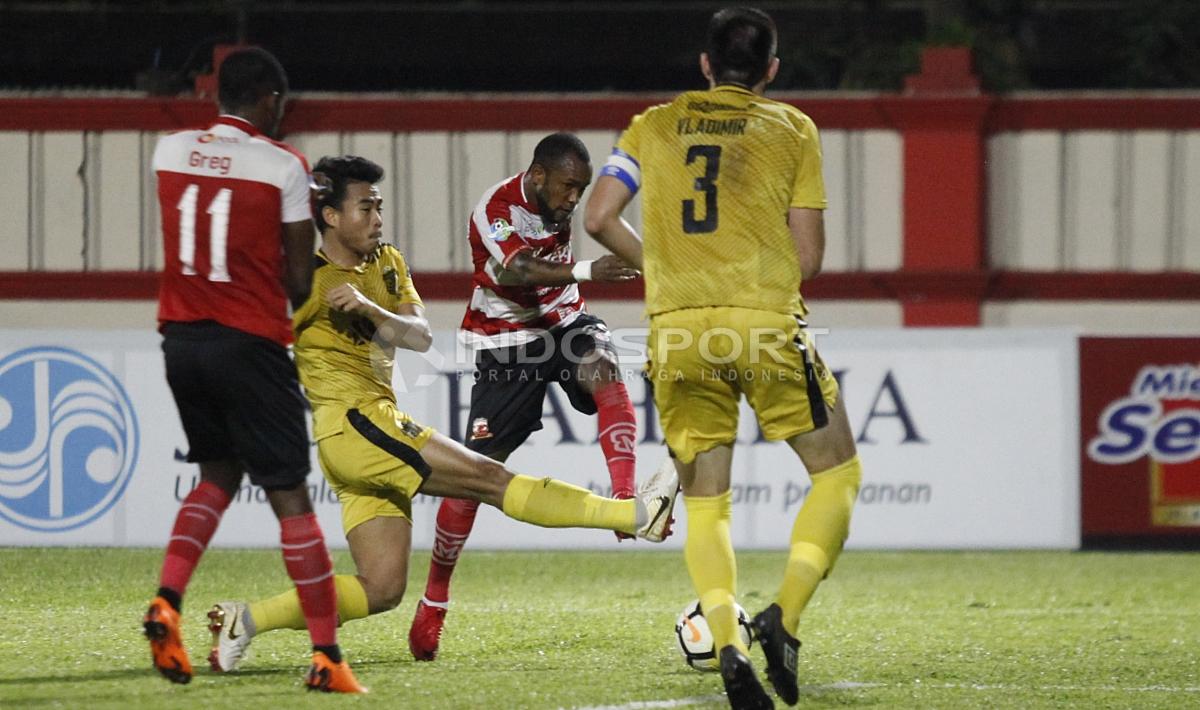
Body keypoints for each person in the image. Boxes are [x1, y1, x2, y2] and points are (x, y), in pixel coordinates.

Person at [204, 155, 678, 675]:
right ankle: (633, 514)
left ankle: (245, 620)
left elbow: (421, 336)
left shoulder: (386, 263)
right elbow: (251, 342)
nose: (378, 219)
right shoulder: (306, 284)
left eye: (380, 208)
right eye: (365, 208)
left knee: (381, 588)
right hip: (357, 423)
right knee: (488, 477)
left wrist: (370, 308)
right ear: (331, 217)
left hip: (363, 437)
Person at [584, 8, 863, 709]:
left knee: (707, 501)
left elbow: (596, 217)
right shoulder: (793, 128)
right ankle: (784, 620)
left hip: (678, 331)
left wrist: (666, 269)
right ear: (771, 69)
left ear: (704, 65)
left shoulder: (651, 125)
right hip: (765, 324)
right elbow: (809, 259)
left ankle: (729, 643)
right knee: (837, 473)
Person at [144, 47, 364, 693]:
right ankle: (327, 656)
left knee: (217, 473)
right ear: (269, 98)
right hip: (248, 342)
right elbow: (299, 282)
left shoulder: (168, 149)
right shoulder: (283, 164)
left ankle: (166, 601)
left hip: (180, 338)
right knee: (290, 495)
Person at [408, 132, 648, 661]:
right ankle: (434, 598)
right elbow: (516, 268)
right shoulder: (494, 210)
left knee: (604, 368)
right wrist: (588, 270)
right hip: (506, 343)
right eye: (567, 187)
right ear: (538, 175)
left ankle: (626, 500)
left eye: (581, 189)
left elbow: (551, 269)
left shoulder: (556, 201)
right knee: (476, 474)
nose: (574, 199)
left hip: (564, 321)